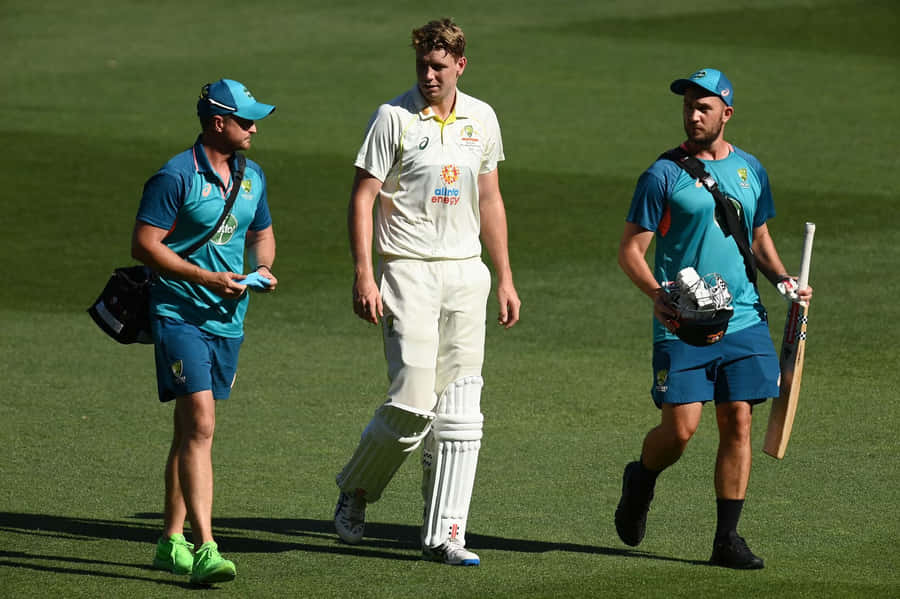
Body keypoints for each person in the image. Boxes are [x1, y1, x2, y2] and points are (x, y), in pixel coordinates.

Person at [332, 18, 521, 567]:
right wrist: (363, 273)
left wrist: (504, 276)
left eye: (439, 66)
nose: (429, 76)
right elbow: (363, 197)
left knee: (462, 414)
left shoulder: (481, 118)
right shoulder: (393, 118)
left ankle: (446, 534)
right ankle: (358, 489)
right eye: (423, 66)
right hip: (407, 271)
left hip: (466, 273)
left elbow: (490, 200)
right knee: (414, 402)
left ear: (461, 64)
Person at [615, 68, 813, 569]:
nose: (693, 113)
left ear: (726, 113)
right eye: (688, 105)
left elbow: (757, 238)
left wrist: (785, 281)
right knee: (680, 431)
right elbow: (631, 251)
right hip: (684, 319)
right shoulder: (662, 175)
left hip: (743, 317)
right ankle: (641, 478)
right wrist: (656, 293)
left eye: (704, 106)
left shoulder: (750, 169)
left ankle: (727, 539)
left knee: (738, 420)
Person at [131, 78, 278, 584]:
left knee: (189, 432)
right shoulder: (174, 176)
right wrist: (204, 277)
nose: (254, 127)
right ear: (218, 123)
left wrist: (261, 268)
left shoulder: (252, 175)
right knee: (202, 423)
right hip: (179, 314)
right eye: (245, 120)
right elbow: (145, 244)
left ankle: (170, 540)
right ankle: (205, 547)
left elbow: (261, 232)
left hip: (228, 320)